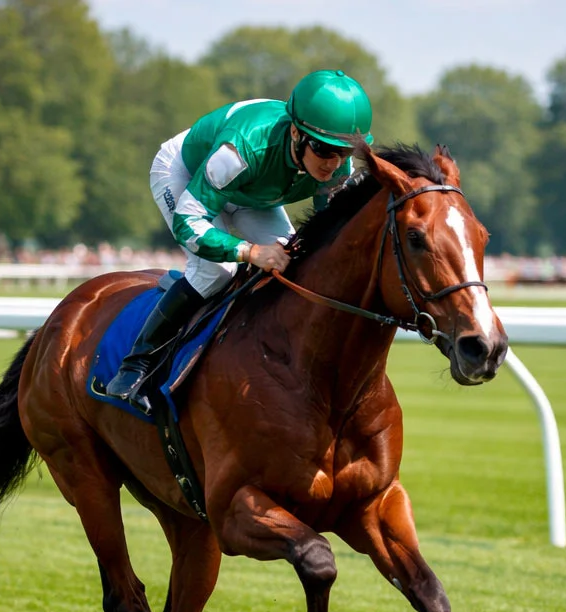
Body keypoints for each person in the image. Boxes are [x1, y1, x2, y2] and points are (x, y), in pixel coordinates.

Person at [105, 69, 374, 408]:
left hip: (254, 193)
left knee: (294, 267)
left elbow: (328, 230)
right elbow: (189, 223)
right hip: (188, 174)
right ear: (296, 132)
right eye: (323, 150)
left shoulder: (336, 169)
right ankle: (135, 366)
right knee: (216, 273)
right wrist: (249, 252)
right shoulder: (242, 147)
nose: (333, 164)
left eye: (344, 152)